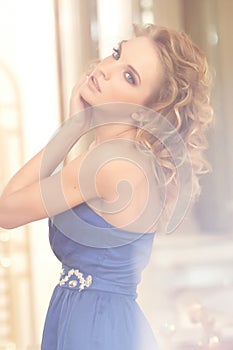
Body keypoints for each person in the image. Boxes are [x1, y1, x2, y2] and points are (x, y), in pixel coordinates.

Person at [0, 24, 213, 349]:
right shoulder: (129, 161)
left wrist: (72, 129)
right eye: (117, 53)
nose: (105, 69)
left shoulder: (110, 164)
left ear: (148, 112)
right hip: (104, 321)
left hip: (93, 327)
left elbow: (7, 210)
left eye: (129, 76)